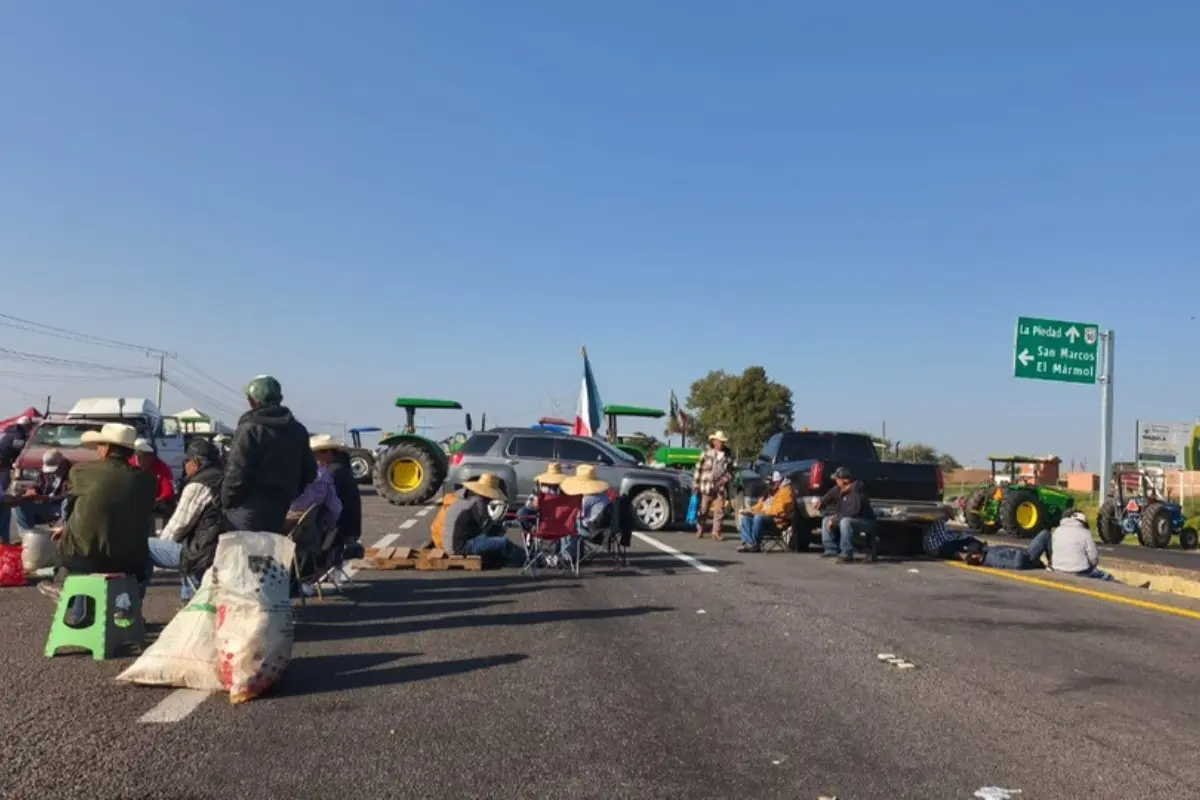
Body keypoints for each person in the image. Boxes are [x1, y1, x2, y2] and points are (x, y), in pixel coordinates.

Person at [38, 423, 157, 626]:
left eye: (99, 446)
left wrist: (66, 528)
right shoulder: (147, 480)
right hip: (130, 561)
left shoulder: (81, 472)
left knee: (78, 555)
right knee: (146, 564)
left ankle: (70, 597)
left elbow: (75, 509)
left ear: (107, 448)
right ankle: (126, 609)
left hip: (82, 558)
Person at [222, 374, 317, 532]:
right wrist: (288, 494)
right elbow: (310, 472)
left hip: (246, 508)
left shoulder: (249, 429)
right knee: (268, 553)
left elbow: (236, 472)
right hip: (279, 508)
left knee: (244, 554)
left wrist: (226, 502)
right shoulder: (298, 430)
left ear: (254, 401)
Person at [147, 439, 225, 601]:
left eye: (186, 461)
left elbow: (179, 525)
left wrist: (162, 545)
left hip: (202, 553)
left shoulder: (198, 484)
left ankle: (127, 607)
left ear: (196, 462)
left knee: (141, 546)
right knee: (185, 547)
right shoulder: (223, 478)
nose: (185, 465)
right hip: (218, 547)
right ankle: (188, 599)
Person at [443, 473, 523, 566]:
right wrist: (500, 524)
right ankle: (529, 559)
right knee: (504, 542)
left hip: (450, 544)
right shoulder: (478, 503)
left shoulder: (464, 498)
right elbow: (486, 529)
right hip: (460, 547)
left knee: (495, 541)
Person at [285, 434, 344, 535]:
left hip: (282, 520)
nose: (334, 457)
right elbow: (335, 507)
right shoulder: (325, 475)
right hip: (309, 524)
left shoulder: (291, 469)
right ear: (327, 453)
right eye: (334, 453)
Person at [9, 449, 73, 539]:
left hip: (59, 506)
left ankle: (61, 534)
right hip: (45, 505)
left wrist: (46, 498)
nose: (51, 472)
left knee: (66, 502)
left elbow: (68, 494)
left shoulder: (72, 473)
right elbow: (38, 483)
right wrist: (32, 490)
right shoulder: (45, 473)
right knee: (19, 505)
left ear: (62, 463)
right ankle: (27, 536)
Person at [817, 467, 876, 563]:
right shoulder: (839, 489)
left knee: (845, 522)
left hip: (865, 521)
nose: (836, 481)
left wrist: (835, 520)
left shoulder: (856, 490)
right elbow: (829, 496)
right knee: (826, 520)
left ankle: (847, 553)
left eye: (837, 479)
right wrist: (821, 502)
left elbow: (853, 512)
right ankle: (831, 550)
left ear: (843, 480)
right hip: (850, 518)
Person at [560, 464, 612, 563]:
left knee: (570, 526)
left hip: (594, 533)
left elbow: (579, 515)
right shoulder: (604, 496)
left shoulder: (587, 499)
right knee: (579, 523)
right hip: (608, 530)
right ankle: (579, 555)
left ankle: (566, 557)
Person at [738, 470, 796, 553]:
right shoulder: (770, 490)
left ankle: (755, 544)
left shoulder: (787, 492)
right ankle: (748, 543)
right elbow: (760, 504)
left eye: (772, 483)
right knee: (746, 517)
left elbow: (779, 509)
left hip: (779, 521)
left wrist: (762, 512)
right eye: (769, 484)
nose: (769, 486)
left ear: (778, 482)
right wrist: (750, 510)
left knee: (758, 518)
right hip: (767, 517)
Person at [1049, 512, 1115, 581]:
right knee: (1108, 576)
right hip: (1079, 571)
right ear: (1083, 522)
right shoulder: (1085, 533)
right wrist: (1092, 565)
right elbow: (1093, 557)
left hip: (1057, 568)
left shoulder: (1057, 530)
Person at [693, 430, 734, 541]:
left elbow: (730, 471)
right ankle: (700, 529)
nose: (720, 444)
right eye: (718, 441)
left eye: (722, 442)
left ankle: (716, 532)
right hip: (707, 486)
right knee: (704, 509)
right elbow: (698, 469)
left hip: (720, 487)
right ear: (714, 442)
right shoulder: (706, 453)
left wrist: (725, 479)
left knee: (719, 511)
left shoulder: (728, 455)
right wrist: (696, 484)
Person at [326, 440, 363, 558]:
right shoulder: (343, 469)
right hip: (352, 528)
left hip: (339, 529)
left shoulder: (332, 472)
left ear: (328, 453)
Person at [0, 415, 33, 541]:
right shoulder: (18, 436)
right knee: (4, 507)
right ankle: (4, 544)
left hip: (5, 464)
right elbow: (7, 500)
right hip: (5, 464)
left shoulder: (9, 433)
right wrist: (24, 496)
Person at [132, 437, 178, 519]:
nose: (139, 459)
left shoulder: (162, 468)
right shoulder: (129, 464)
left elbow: (168, 491)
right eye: (138, 455)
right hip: (134, 506)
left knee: (159, 521)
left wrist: (157, 501)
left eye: (147, 455)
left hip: (156, 507)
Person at [517, 462, 567, 535]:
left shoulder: (566, 489)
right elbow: (529, 503)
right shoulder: (540, 487)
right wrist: (534, 504)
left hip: (559, 517)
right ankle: (529, 532)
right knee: (522, 512)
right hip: (541, 514)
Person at [961, 531, 1051, 570]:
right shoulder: (992, 558)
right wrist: (1020, 553)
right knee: (1045, 534)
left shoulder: (986, 553)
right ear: (976, 555)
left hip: (1025, 554)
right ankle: (1052, 563)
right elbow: (1016, 564)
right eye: (979, 549)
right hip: (1027, 556)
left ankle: (1048, 563)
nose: (981, 548)